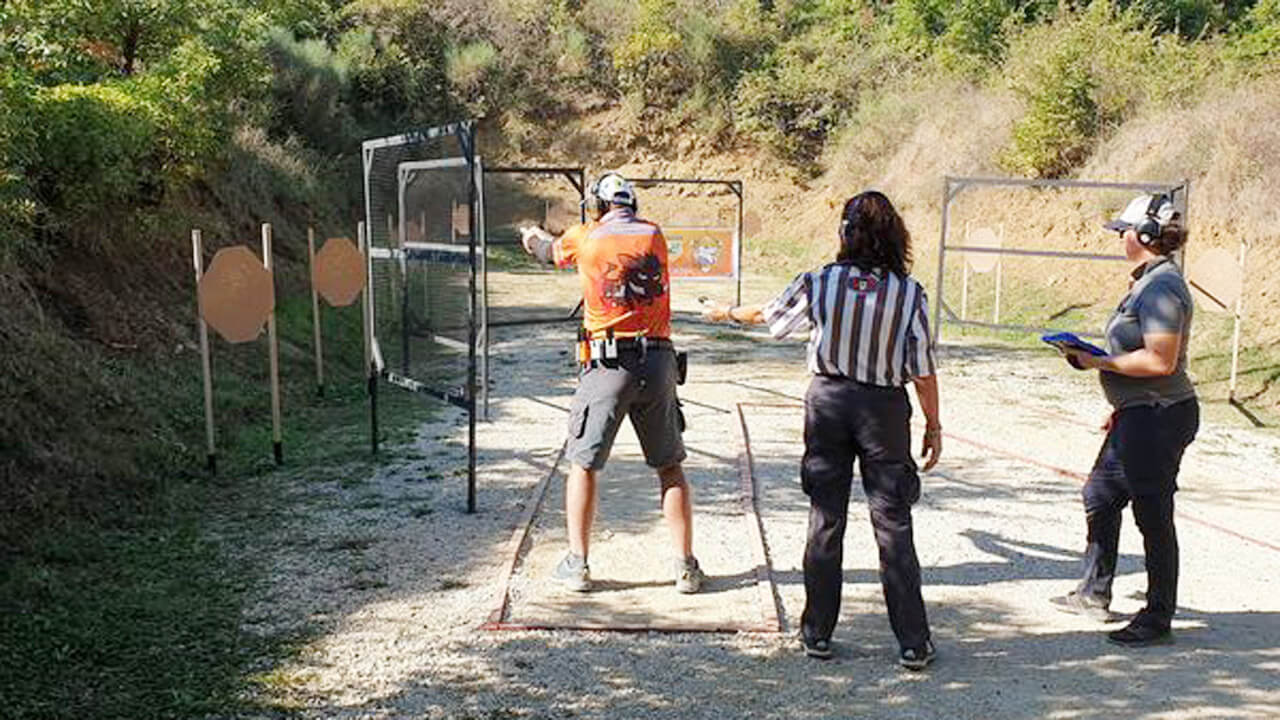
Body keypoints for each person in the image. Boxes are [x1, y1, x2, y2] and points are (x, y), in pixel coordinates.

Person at [705, 190, 942, 670]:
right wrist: (934, 422)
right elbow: (921, 367)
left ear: (845, 234)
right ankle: (913, 642)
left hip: (830, 403)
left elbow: (772, 317)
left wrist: (726, 312)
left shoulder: (820, 282)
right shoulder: (908, 292)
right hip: (884, 410)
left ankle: (817, 633)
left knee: (825, 517)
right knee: (893, 523)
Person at [519, 172, 706, 595]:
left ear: (599, 205)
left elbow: (547, 252)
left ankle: (578, 564)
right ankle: (685, 567)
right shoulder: (654, 235)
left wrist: (529, 233)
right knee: (670, 466)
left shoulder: (586, 236)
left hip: (607, 364)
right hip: (659, 361)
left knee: (583, 464)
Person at [1051, 193, 1198, 647]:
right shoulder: (1148, 282)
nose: (1121, 238)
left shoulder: (1161, 288)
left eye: (1125, 231)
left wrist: (1100, 363)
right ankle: (1094, 593)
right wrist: (1111, 388)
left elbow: (1160, 362)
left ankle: (1158, 616)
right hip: (1139, 413)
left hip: (1158, 414)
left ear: (1146, 236)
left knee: (1153, 514)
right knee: (1099, 493)